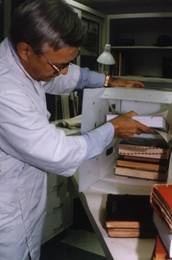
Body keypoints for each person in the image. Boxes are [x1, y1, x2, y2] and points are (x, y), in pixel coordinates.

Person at [0, 0, 152, 259]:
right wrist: (112, 129)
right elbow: (56, 152)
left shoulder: (27, 61)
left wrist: (109, 80)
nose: (62, 72)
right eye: (58, 65)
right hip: (9, 211)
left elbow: (73, 76)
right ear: (26, 50)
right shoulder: (6, 89)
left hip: (25, 195)